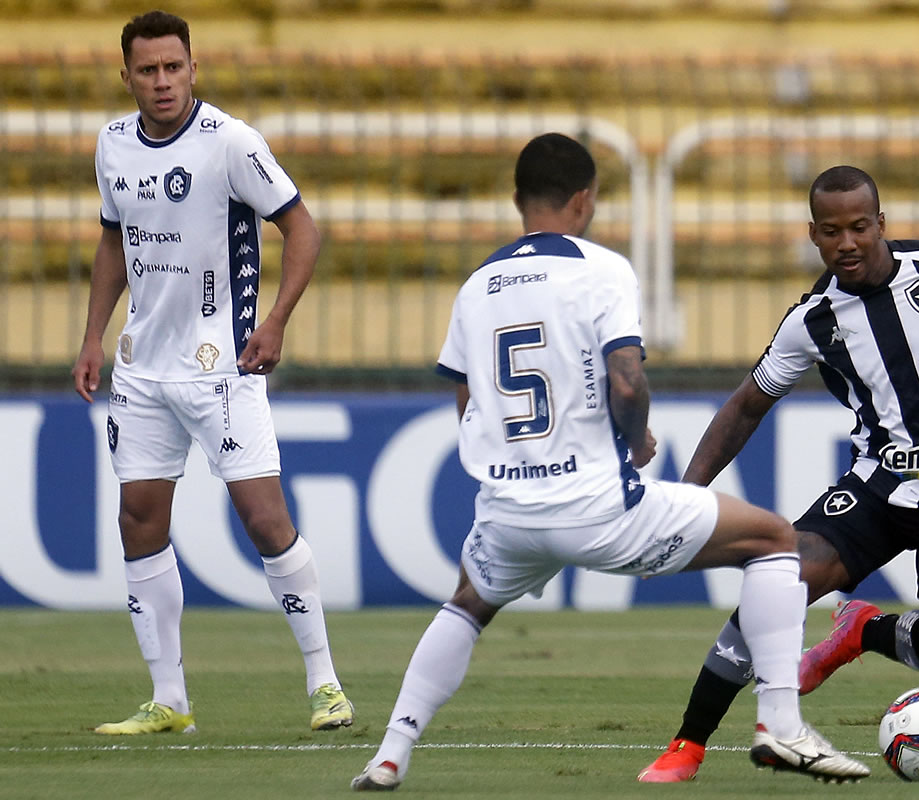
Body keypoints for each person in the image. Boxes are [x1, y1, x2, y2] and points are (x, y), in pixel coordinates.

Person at [349, 134, 870, 790]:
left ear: (517, 200)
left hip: (508, 507)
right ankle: (780, 724)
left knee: (467, 605)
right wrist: (637, 438)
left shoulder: (477, 287)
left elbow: (467, 400)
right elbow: (625, 381)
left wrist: (514, 468)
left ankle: (392, 751)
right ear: (585, 200)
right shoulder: (601, 269)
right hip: (596, 505)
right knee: (772, 540)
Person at [637, 164, 919, 782]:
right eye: (831, 231)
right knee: (780, 580)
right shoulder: (812, 321)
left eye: (860, 226)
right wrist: (686, 494)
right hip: (880, 493)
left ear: (881, 223)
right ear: (813, 235)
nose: (847, 242)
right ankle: (687, 745)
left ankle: (859, 630)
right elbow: (747, 404)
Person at [71, 10, 353, 735]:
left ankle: (326, 684)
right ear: (126, 75)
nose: (162, 82)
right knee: (139, 520)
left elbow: (302, 227)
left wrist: (277, 320)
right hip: (141, 370)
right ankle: (170, 701)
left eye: (174, 67)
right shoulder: (110, 145)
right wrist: (92, 338)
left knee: (264, 519)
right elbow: (112, 242)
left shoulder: (230, 142)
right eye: (148, 70)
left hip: (221, 366)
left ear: (194, 68)